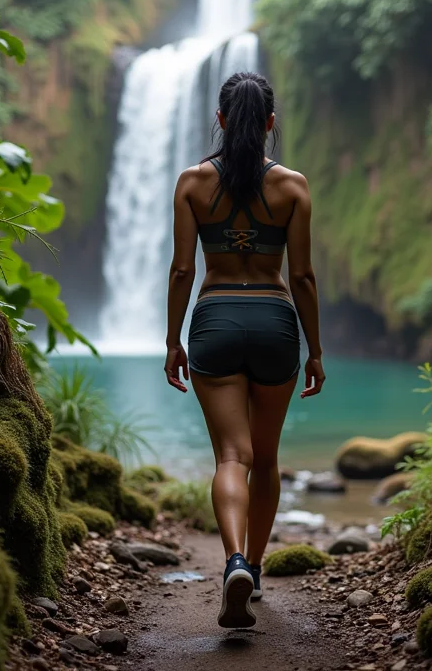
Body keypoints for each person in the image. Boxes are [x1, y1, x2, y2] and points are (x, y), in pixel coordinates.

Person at [164, 71, 325, 629]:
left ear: (222, 119)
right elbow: (302, 275)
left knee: (232, 458)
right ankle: (254, 570)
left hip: (215, 318)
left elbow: (183, 268)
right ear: (271, 124)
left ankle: (231, 560)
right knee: (268, 457)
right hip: (276, 321)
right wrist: (317, 351)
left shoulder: (191, 183)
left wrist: (172, 341)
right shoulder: (294, 187)